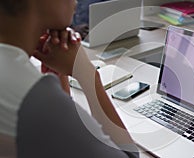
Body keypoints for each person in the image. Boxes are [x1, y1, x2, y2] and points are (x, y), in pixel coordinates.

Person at [0, 0, 139, 158]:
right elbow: (129, 155)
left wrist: (60, 76)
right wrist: (87, 74)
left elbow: (62, 143)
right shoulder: (35, 97)